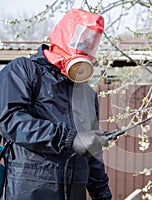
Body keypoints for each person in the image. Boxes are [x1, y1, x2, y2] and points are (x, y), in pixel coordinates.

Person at [0, 8, 112, 200]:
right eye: (81, 40)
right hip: (28, 191)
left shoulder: (86, 93)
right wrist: (69, 138)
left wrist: (102, 195)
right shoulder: (23, 71)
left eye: (92, 43)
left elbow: (92, 156)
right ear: (65, 35)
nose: (86, 47)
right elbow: (10, 120)